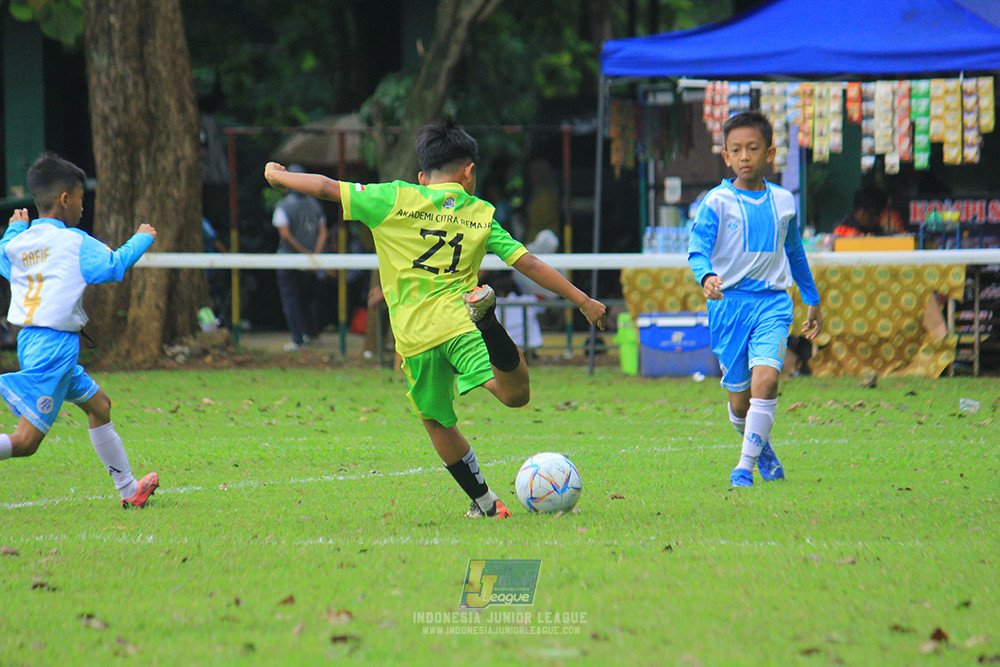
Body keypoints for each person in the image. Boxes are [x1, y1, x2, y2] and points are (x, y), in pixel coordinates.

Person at [264, 117, 606, 518]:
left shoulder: (394, 198)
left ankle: (485, 504)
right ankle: (489, 324)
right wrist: (583, 300)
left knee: (435, 420)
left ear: (424, 176)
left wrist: (279, 176)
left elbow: (326, 188)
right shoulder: (478, 213)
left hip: (413, 337)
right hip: (462, 322)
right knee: (516, 395)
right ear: (469, 171)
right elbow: (526, 262)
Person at [0, 153, 159, 508]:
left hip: (32, 341)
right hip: (54, 347)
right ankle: (128, 489)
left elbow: (4, 259)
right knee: (25, 442)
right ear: (65, 199)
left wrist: (14, 226)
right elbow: (114, 265)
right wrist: (142, 238)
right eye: (82, 199)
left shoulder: (18, 243)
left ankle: (129, 489)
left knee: (99, 405)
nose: (83, 208)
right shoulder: (75, 242)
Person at [687, 111, 823, 488]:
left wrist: (812, 299)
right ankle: (762, 449)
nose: (745, 156)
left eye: (752, 148)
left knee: (767, 380)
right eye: (736, 150)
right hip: (729, 308)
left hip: (773, 304)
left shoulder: (784, 201)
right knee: (739, 403)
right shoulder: (716, 201)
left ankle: (743, 468)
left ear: (770, 153)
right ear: (726, 157)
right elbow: (697, 249)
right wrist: (706, 276)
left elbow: (795, 252)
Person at [272, 164, 328, 352]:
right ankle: (311, 334)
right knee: (306, 298)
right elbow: (323, 231)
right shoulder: (315, 204)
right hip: (311, 261)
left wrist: (304, 253)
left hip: (289, 260)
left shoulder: (283, 206)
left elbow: (285, 235)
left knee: (291, 300)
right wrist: (315, 256)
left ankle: (297, 339)